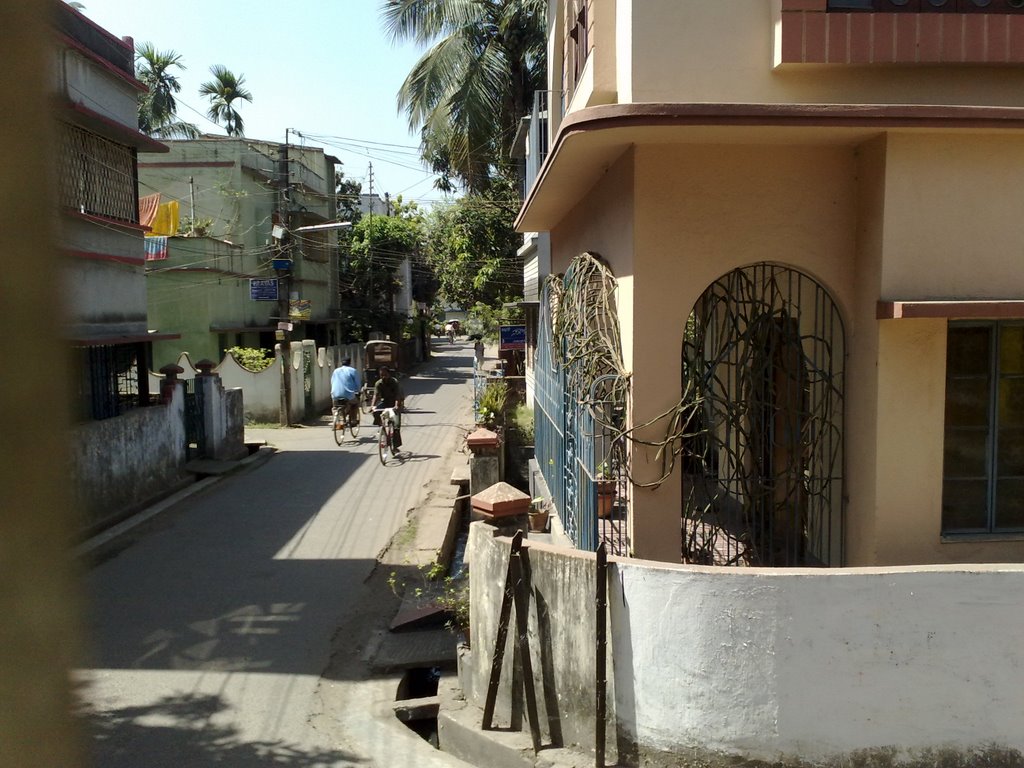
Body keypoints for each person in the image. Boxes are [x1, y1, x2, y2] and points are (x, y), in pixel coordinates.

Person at [370, 365, 404, 451]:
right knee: (376, 411)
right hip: (385, 402)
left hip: (395, 403)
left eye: (385, 374)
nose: (383, 377)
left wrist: (396, 406)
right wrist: (372, 406)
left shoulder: (394, 382)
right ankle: (381, 427)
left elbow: (398, 395)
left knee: (396, 426)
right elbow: (376, 395)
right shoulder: (378, 383)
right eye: (381, 375)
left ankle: (395, 446)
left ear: (389, 374)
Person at [330, 357, 361, 426]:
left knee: (336, 407)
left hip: (335, 394)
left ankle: (337, 420)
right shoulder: (353, 371)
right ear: (350, 363)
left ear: (341, 363)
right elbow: (357, 384)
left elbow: (332, 382)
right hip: (349, 394)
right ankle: (353, 420)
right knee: (355, 404)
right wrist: (358, 391)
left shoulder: (335, 371)